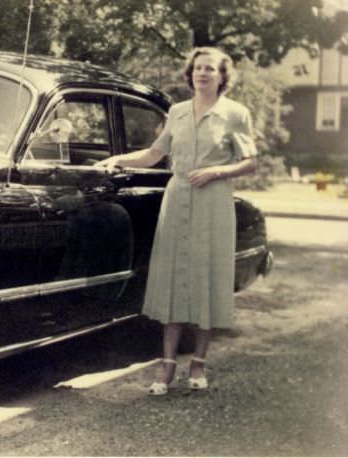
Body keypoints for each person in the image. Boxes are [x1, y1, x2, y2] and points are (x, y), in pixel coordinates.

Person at [96, 47, 258, 395]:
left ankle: (198, 361)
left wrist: (216, 170)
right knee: (174, 278)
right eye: (198, 68)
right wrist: (116, 160)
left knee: (206, 278)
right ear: (191, 74)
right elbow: (155, 154)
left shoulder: (235, 113)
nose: (203, 74)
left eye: (210, 69)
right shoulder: (178, 111)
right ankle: (167, 364)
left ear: (221, 76)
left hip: (213, 201)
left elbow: (249, 163)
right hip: (178, 195)